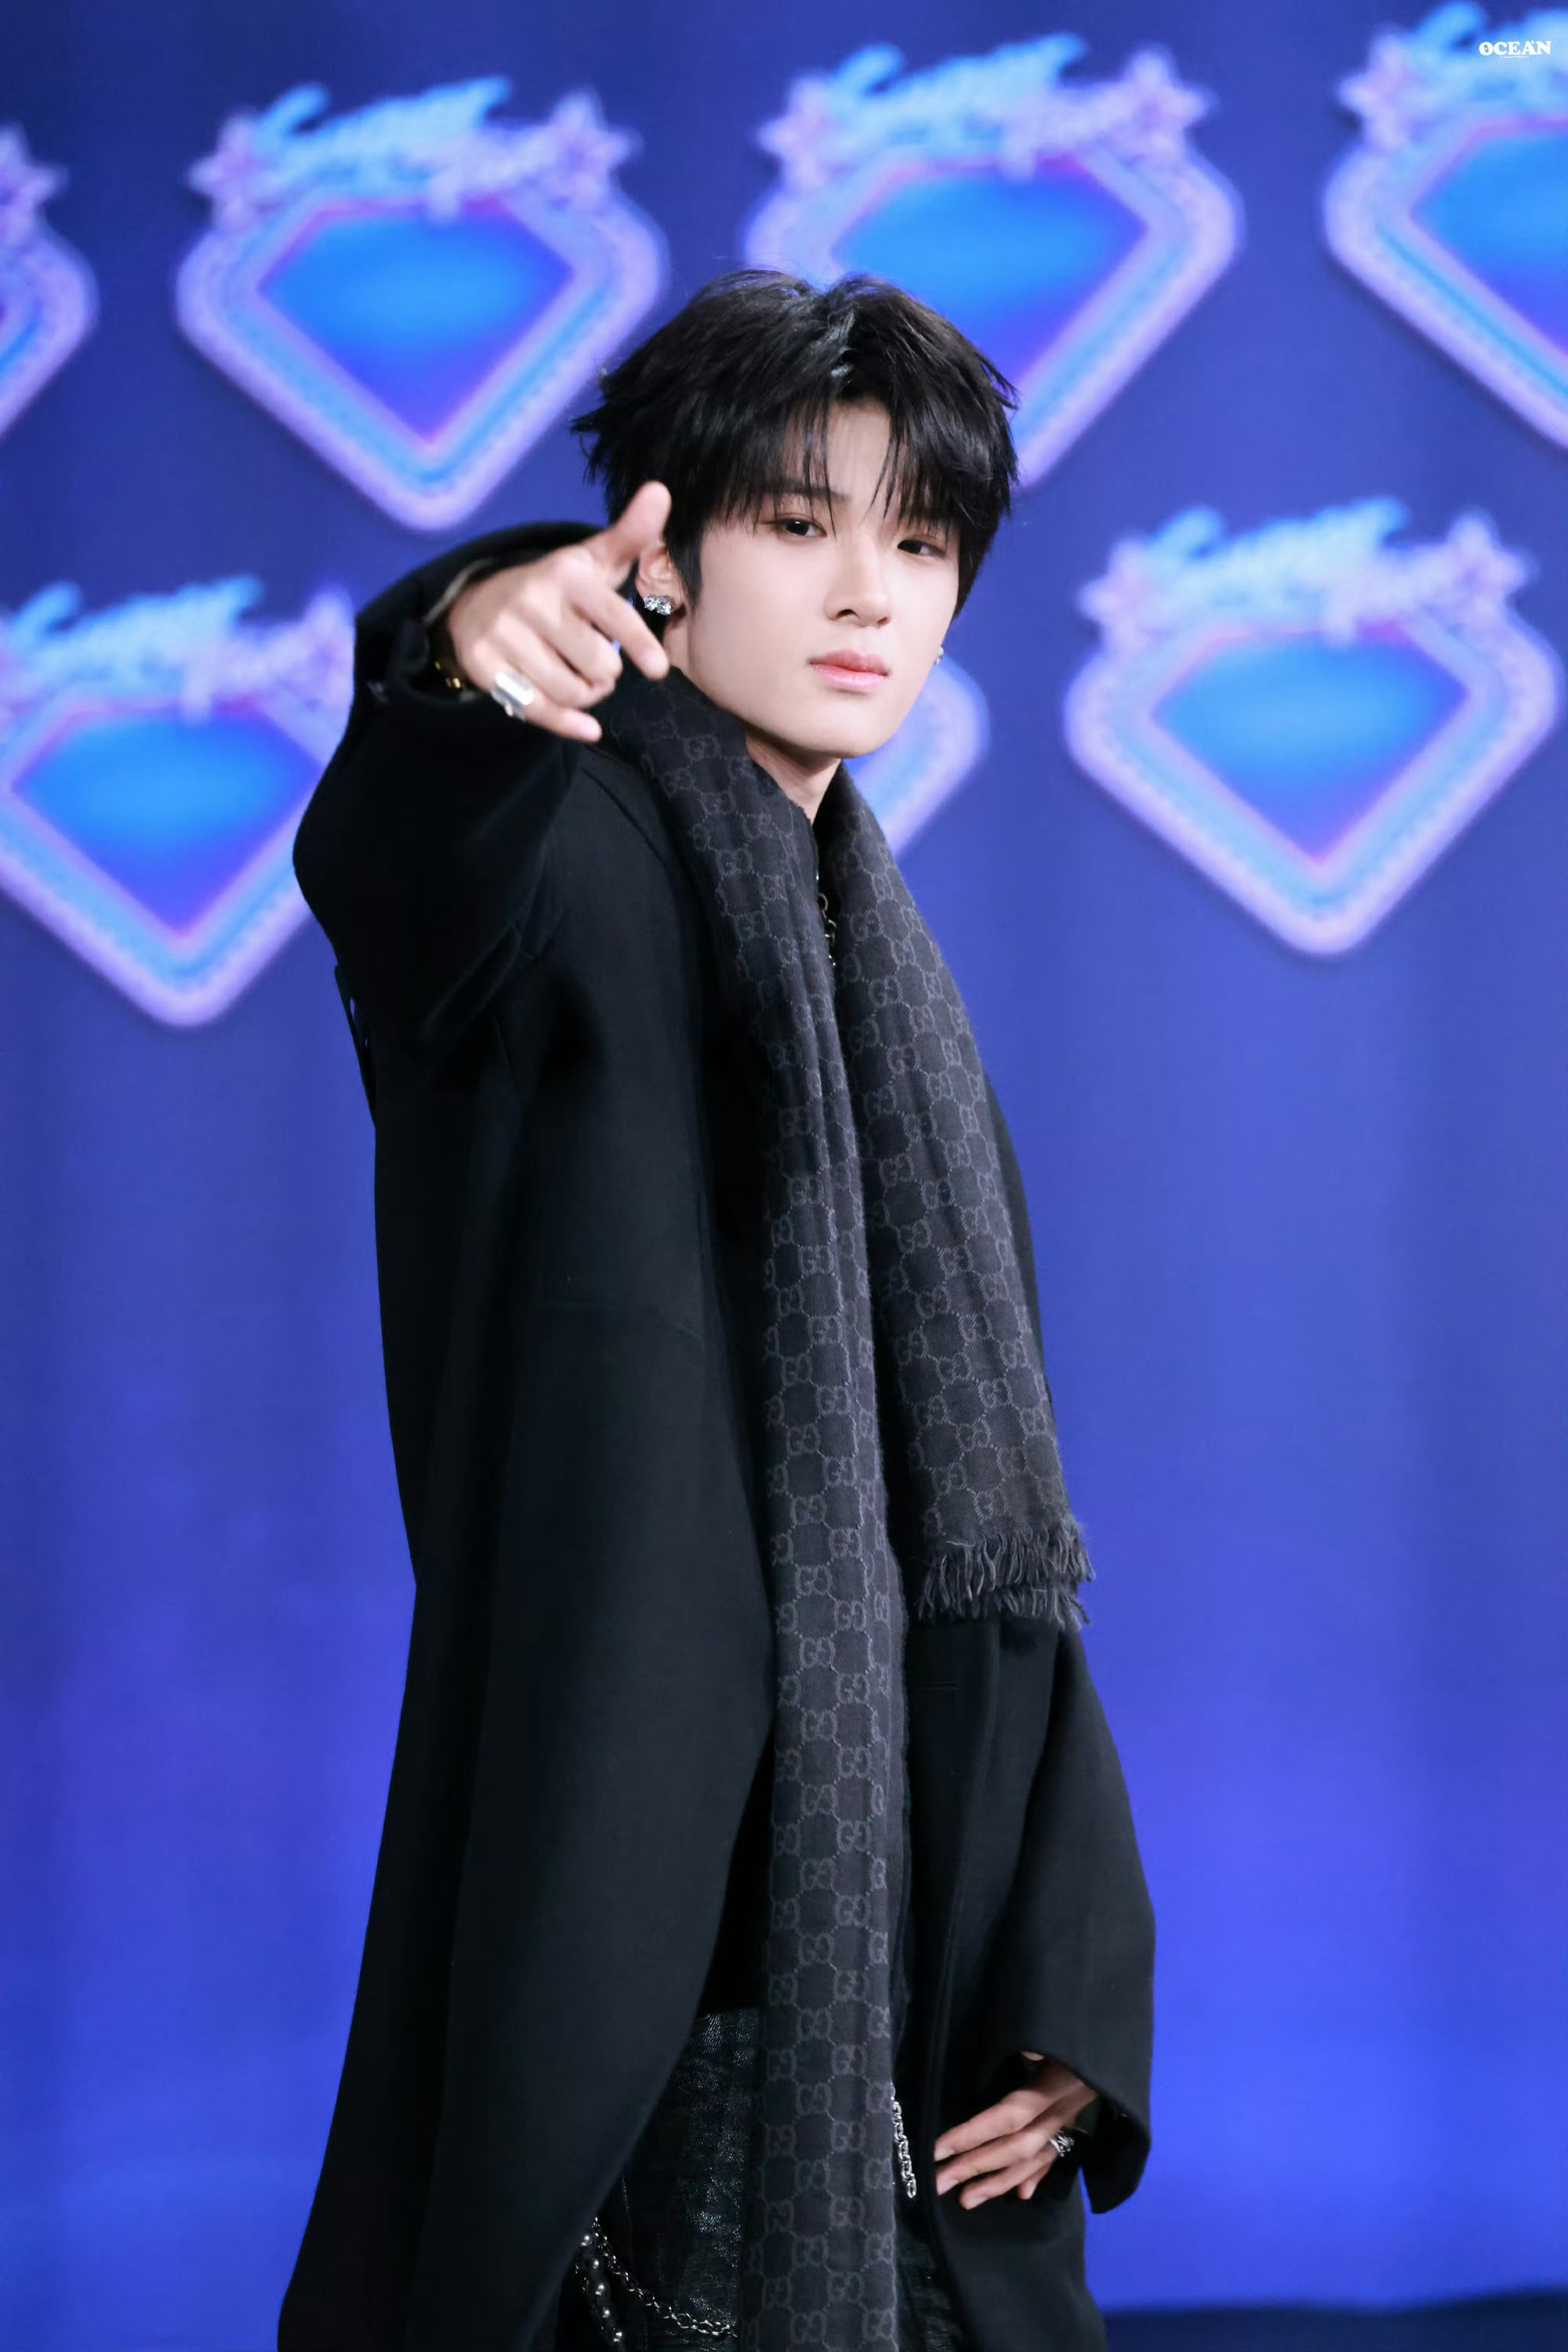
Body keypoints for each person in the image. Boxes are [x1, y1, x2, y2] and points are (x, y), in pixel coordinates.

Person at [278, 271, 1153, 2352]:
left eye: (919, 543)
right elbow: (401, 866)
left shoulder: (892, 985)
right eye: (796, 522)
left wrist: (1064, 1986)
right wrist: (466, 638)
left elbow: (991, 1535)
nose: (867, 595)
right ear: (662, 555)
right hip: (644, 1966)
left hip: (909, 2004)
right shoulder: (562, 854)